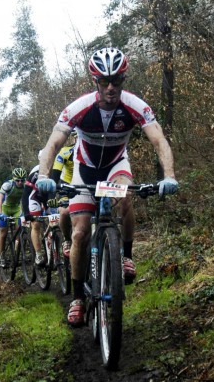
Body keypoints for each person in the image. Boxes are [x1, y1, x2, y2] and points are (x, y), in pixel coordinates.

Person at [36, 47, 179, 327]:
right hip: (84, 167)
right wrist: (45, 175)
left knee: (124, 197)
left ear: (123, 79)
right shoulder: (79, 108)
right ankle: (77, 297)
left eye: (117, 80)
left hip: (116, 165)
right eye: (104, 81)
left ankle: (125, 256)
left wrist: (169, 176)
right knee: (78, 233)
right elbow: (53, 143)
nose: (111, 87)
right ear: (96, 82)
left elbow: (159, 140)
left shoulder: (135, 106)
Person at [50, 130, 77, 258]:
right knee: (65, 212)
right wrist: (52, 194)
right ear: (73, 139)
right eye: (77, 138)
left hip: (85, 186)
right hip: (67, 187)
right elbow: (55, 175)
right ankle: (67, 239)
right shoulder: (65, 152)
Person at [22, 152, 52, 267]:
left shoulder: (57, 168)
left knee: (55, 222)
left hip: (47, 197)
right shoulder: (35, 173)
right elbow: (25, 195)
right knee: (36, 224)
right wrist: (26, 213)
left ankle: (54, 251)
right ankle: (39, 254)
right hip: (34, 197)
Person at [0, 167, 27, 267]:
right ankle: (2, 256)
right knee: (3, 232)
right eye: (17, 180)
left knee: (20, 230)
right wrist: (0, 213)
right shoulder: (7, 185)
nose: (20, 182)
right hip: (6, 208)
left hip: (17, 209)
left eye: (22, 180)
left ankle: (17, 255)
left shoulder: (26, 185)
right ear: (14, 179)